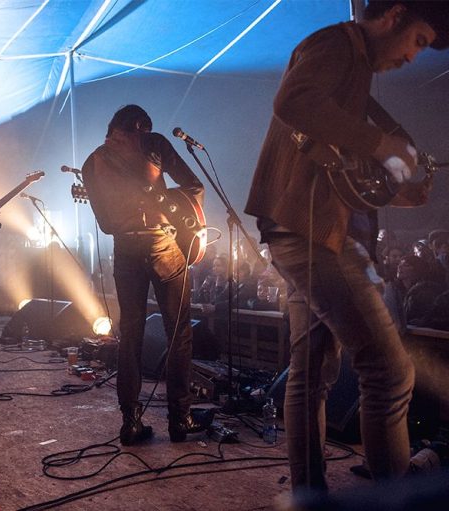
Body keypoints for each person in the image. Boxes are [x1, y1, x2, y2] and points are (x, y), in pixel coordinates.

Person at [244, 1, 448, 491]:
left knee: (309, 375)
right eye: (418, 41)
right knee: (390, 372)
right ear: (394, 15)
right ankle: (396, 500)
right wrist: (383, 146)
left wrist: (399, 193)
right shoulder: (337, 43)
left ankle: (308, 494)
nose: (413, 57)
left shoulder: (352, 73)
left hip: (305, 229)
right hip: (313, 235)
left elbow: (338, 166)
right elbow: (293, 102)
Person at [81, 104, 212, 445]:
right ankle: (180, 418)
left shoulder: (91, 163)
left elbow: (106, 224)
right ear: (140, 126)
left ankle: (131, 423)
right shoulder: (152, 142)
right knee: (179, 332)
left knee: (131, 335)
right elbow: (193, 185)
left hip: (125, 251)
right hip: (163, 245)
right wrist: (180, 220)